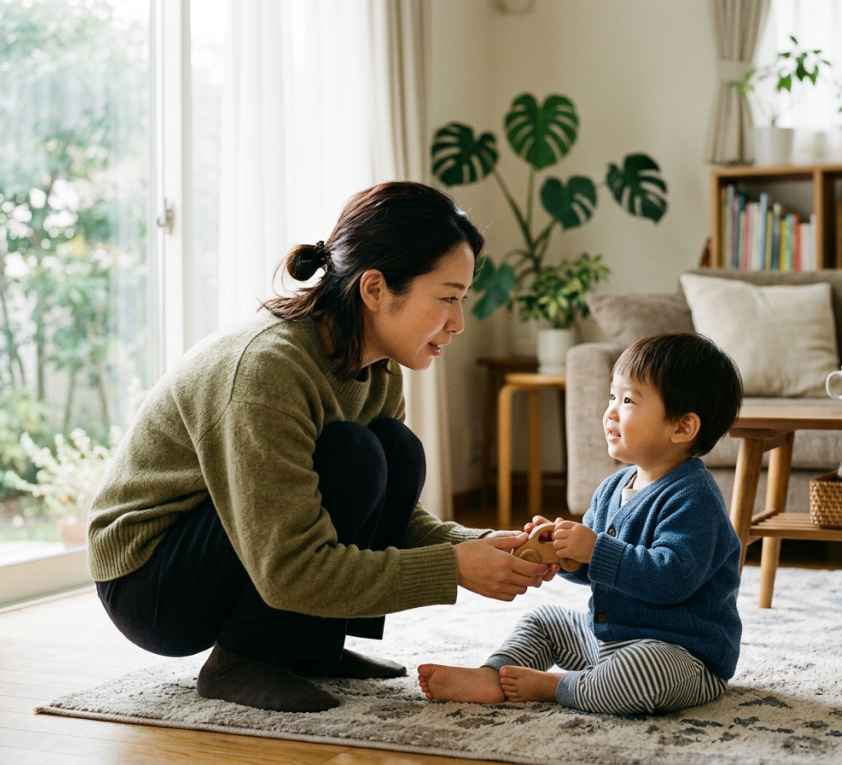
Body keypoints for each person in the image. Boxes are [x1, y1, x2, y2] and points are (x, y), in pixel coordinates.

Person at [88, 182, 552, 714]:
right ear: (375, 289)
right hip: (151, 583)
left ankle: (307, 649)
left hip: (240, 546)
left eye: (462, 299)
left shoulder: (376, 370)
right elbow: (290, 566)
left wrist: (482, 544)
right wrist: (451, 568)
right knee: (354, 451)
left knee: (393, 449)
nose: (458, 322)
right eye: (447, 297)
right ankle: (239, 660)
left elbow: (390, 516)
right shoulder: (267, 370)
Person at [418, 332, 745, 715]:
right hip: (607, 638)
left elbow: (672, 578)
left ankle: (560, 686)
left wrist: (595, 549)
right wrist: (562, 553)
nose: (610, 412)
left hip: (680, 653)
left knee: (644, 674)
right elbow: (595, 571)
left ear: (682, 427)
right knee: (545, 620)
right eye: (612, 397)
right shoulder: (613, 487)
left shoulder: (696, 499)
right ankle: (493, 674)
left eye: (628, 401)